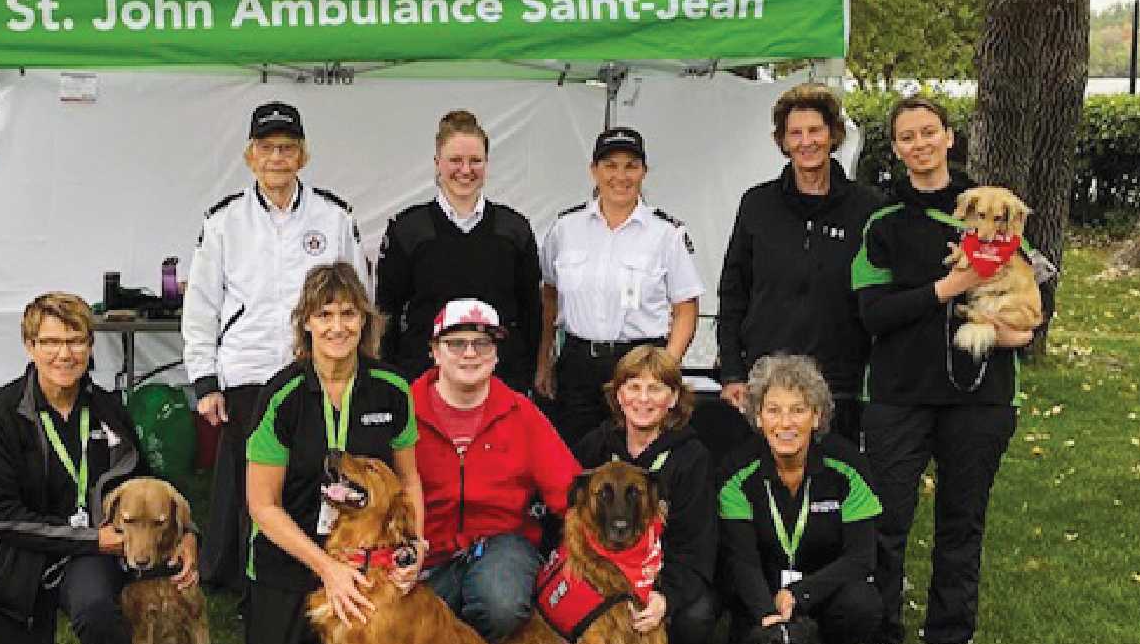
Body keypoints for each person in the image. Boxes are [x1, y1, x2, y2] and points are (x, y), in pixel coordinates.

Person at [852, 95, 1037, 644]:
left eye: (928, 132)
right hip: (900, 394)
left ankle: (948, 642)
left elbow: (1036, 297)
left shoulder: (997, 211)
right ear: (897, 148)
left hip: (980, 397)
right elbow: (872, 314)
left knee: (964, 519)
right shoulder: (883, 222)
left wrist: (1014, 332)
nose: (919, 144)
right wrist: (948, 286)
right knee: (887, 518)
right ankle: (879, 635)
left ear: (949, 138)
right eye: (907, 137)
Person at [0, 292, 197, 644]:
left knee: (97, 607)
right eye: (51, 342)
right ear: (30, 346)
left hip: (90, 556)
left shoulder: (110, 408)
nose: (64, 354)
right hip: (21, 558)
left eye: (76, 340)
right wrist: (90, 537)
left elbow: (151, 484)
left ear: (91, 345)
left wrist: (189, 535)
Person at [185, 100, 368, 595]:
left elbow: (357, 295)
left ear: (303, 156)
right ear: (250, 156)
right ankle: (249, 584)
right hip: (247, 371)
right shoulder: (225, 221)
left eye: (287, 149)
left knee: (312, 476)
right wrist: (205, 382)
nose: (277, 159)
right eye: (267, 149)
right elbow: (200, 303)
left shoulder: (332, 216)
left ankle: (317, 571)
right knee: (254, 484)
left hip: (316, 371)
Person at [243, 262, 423, 644]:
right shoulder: (281, 393)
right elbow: (262, 504)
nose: (337, 326)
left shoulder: (391, 388)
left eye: (348, 313)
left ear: (365, 321)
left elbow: (409, 483)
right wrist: (328, 569)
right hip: (293, 556)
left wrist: (414, 547)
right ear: (306, 322)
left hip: (367, 557)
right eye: (324, 314)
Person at [716, 82, 885, 443]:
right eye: (795, 133)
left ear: (833, 135)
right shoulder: (757, 205)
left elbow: (880, 299)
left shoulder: (868, 209)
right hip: (765, 382)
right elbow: (733, 293)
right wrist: (732, 373)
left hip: (840, 384)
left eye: (815, 130)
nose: (806, 142)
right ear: (783, 141)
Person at [413, 298, 579, 643]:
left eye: (482, 343)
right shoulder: (404, 409)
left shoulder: (521, 412)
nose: (469, 354)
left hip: (501, 545)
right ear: (435, 351)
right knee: (412, 625)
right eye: (456, 343)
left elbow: (572, 494)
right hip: (424, 549)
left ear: (496, 354)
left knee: (501, 603)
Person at [537, 126, 706, 448]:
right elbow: (549, 294)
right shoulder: (565, 228)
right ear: (593, 171)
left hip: (640, 362)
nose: (620, 176)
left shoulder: (666, 233)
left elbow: (685, 308)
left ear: (644, 171)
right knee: (578, 462)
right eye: (610, 165)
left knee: (638, 465)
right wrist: (544, 360)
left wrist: (664, 370)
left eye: (631, 166)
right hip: (578, 365)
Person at [717, 354, 883, 644]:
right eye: (773, 411)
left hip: (821, 594)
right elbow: (741, 560)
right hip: (761, 598)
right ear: (758, 417)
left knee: (862, 602)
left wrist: (800, 594)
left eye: (798, 410)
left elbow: (862, 557)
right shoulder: (736, 472)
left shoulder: (848, 466)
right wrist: (767, 614)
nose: (785, 423)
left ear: (816, 416)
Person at [573, 345, 719, 644]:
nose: (643, 399)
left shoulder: (692, 457)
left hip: (661, 576)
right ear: (618, 395)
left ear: (673, 399)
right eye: (633, 387)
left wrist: (664, 597)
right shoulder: (595, 447)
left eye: (655, 389)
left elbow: (697, 544)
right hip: (603, 576)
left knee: (695, 617)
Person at [376, 110, 543, 392]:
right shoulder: (407, 229)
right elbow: (386, 312)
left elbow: (531, 313)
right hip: (424, 384)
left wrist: (526, 374)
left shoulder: (514, 228)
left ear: (487, 164)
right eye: (455, 160)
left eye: (475, 161)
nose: (465, 170)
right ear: (437, 163)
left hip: (500, 384)